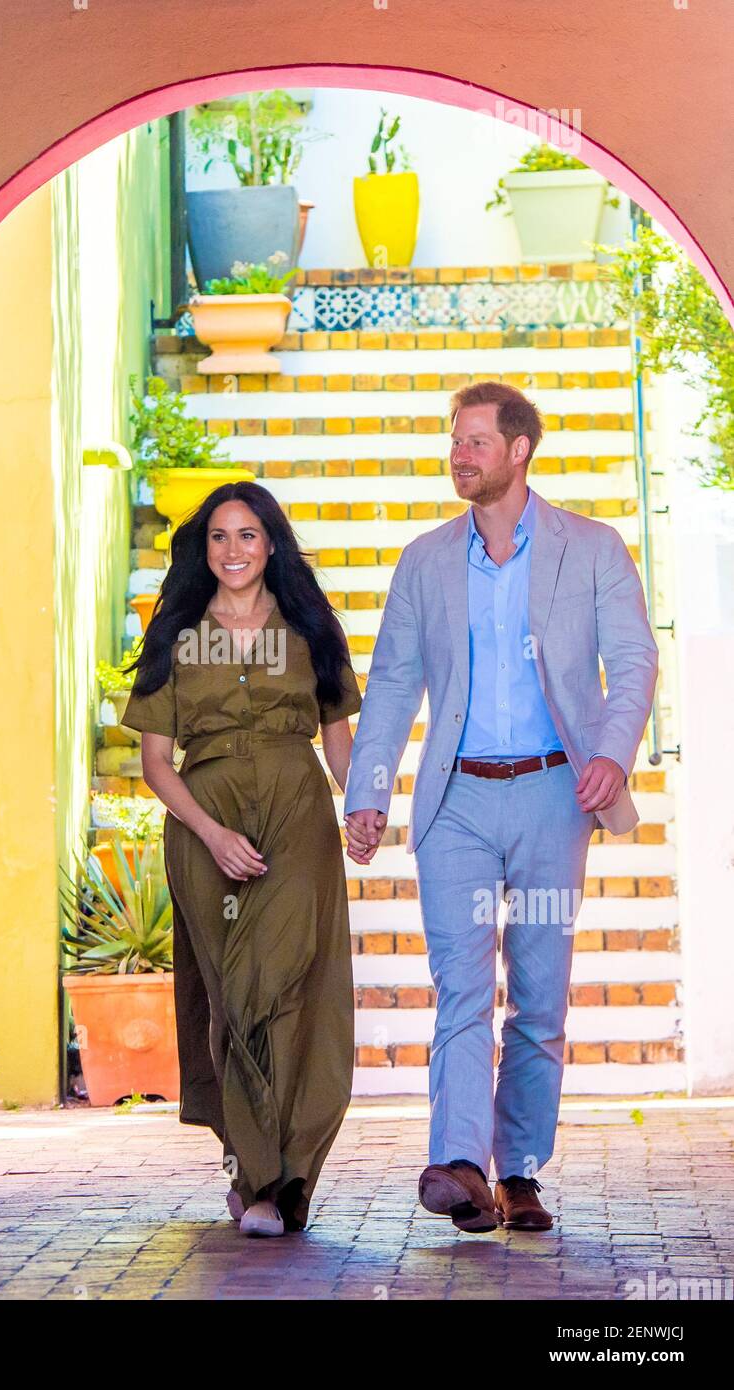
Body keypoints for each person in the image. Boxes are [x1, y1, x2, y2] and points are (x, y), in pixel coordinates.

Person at [343, 382, 658, 1233]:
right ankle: (457, 1164)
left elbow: (631, 660)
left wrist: (610, 752)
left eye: (476, 442)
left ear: (518, 450)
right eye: (456, 441)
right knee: (460, 990)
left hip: (556, 792)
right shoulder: (425, 560)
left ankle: (517, 1170)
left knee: (541, 993)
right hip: (456, 803)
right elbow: (393, 686)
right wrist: (368, 791)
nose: (460, 455)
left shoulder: (590, 549)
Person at [120, 480, 362, 1237]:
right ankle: (255, 1170)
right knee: (232, 997)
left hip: (297, 817)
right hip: (205, 824)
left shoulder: (308, 625)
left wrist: (362, 807)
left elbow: (337, 738)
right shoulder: (177, 632)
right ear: (205, 548)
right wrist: (211, 833)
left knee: (291, 985)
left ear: (271, 546)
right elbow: (157, 763)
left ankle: (287, 1173)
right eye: (219, 537)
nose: (233, 550)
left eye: (248, 536)